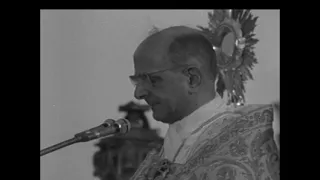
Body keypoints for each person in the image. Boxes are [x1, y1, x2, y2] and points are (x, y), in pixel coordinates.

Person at [129, 11, 279, 180]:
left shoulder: (243, 149)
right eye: (137, 82)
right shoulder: (167, 149)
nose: (138, 93)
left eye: (152, 80)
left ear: (192, 79)